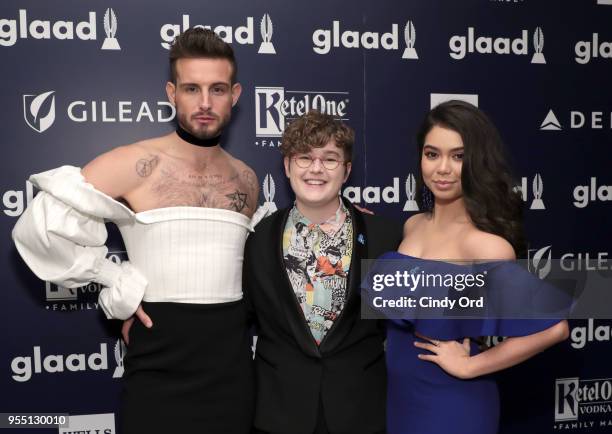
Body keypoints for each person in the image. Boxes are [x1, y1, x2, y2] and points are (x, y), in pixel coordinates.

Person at [12, 28, 258, 434]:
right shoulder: (134, 162)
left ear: (234, 95)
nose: (204, 103)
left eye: (217, 89)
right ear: (171, 93)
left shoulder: (247, 180)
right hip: (158, 369)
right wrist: (114, 277)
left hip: (233, 374)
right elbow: (38, 227)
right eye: (191, 88)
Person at [364, 100, 569, 434]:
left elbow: (554, 327)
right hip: (402, 401)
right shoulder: (413, 226)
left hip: (453, 404)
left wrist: (471, 366)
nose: (442, 168)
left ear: (476, 162)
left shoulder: (486, 246)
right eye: (432, 154)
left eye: (458, 156)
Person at [243, 110, 403, 434]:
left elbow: (407, 318)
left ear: (346, 171)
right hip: (280, 416)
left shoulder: (383, 237)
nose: (316, 169)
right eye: (305, 158)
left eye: (329, 159)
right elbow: (235, 321)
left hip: (360, 413)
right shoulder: (257, 240)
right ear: (287, 166)